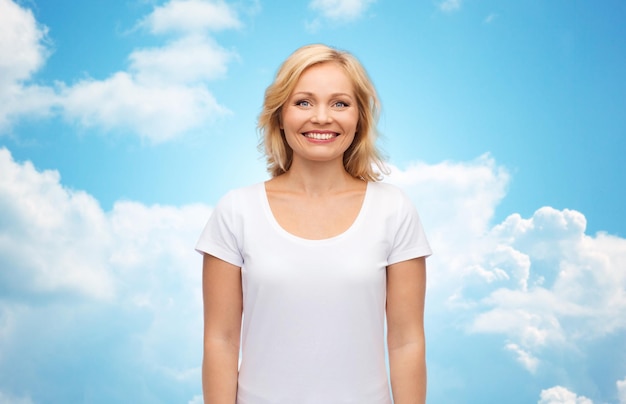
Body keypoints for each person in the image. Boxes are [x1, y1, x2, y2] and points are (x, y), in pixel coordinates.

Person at [196, 43, 432, 404]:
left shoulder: (393, 209)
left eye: (340, 103)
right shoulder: (236, 211)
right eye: (303, 102)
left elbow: (406, 340)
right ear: (279, 115)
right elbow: (220, 340)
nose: (322, 117)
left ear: (359, 118)